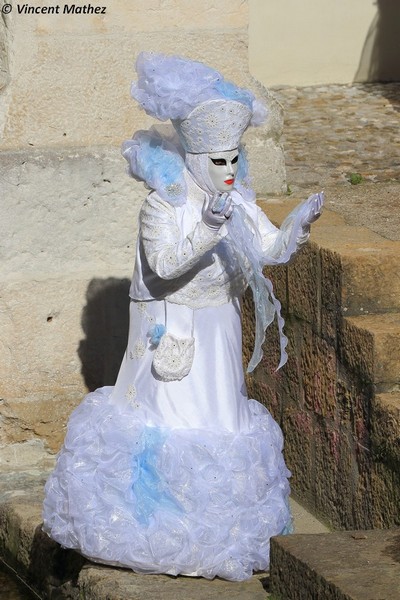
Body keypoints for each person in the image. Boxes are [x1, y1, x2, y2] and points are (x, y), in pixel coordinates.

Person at [43, 52, 323, 582]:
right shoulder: (163, 207)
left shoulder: (235, 198)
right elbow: (166, 264)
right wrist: (209, 228)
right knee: (177, 420)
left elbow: (267, 246)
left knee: (221, 418)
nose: (228, 171)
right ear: (192, 157)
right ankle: (162, 527)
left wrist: (298, 226)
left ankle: (220, 530)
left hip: (220, 325)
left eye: (234, 159)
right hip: (175, 329)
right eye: (217, 162)